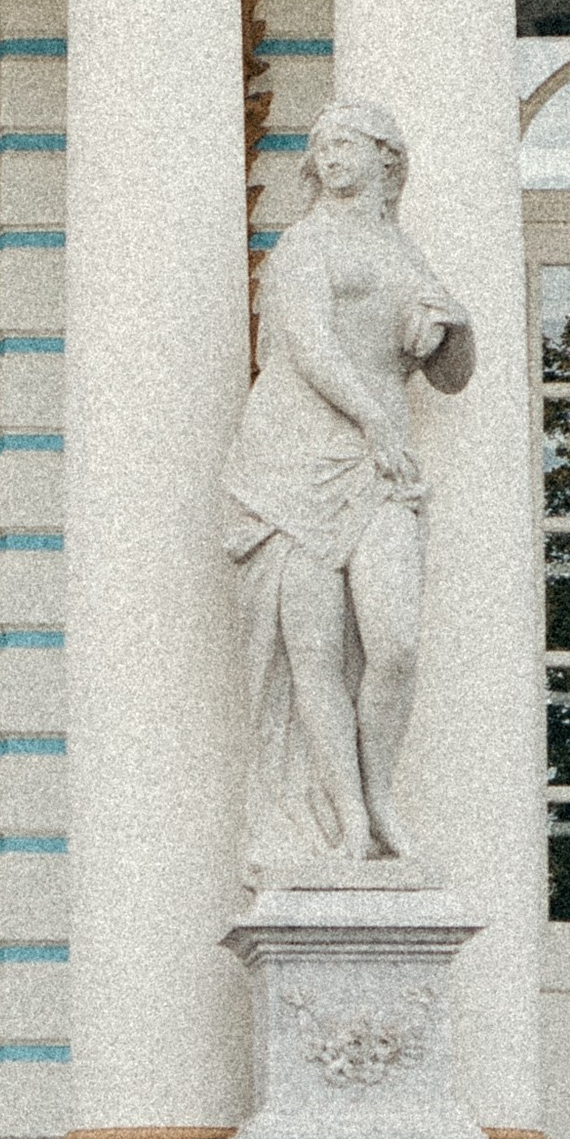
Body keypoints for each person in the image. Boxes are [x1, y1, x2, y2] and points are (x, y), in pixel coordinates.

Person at [223, 95, 474, 870]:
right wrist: (376, 421)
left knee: (394, 643)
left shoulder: (406, 254)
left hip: (378, 462)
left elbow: (452, 379)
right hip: (294, 456)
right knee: (315, 651)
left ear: (385, 160)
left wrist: (457, 328)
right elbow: (308, 346)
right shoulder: (305, 245)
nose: (330, 156)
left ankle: (381, 793)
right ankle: (350, 820)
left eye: (347, 143)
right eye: (321, 144)